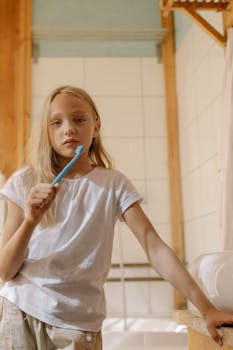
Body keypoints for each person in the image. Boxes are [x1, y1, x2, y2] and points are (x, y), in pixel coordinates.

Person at [0, 85, 232, 350]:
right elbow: (5, 271)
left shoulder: (113, 184)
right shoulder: (24, 182)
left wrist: (206, 308)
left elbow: (154, 248)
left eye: (79, 119)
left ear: (96, 127)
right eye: (56, 122)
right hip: (21, 312)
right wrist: (31, 220)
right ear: (47, 131)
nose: (69, 129)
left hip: (78, 323)